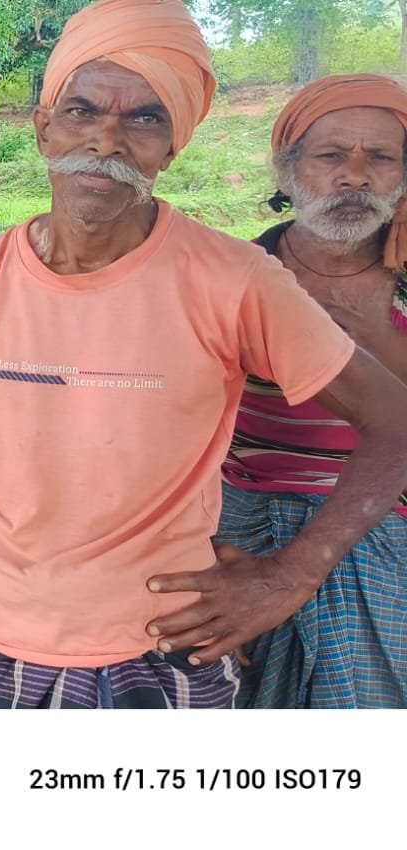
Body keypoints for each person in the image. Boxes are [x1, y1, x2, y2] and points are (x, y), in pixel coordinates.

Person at [0, 0, 407, 710]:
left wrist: (292, 574)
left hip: (161, 654)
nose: (107, 140)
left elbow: (394, 420)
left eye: (144, 118)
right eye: (82, 111)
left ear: (171, 147)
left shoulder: (236, 280)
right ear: (43, 128)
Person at [218, 74, 407, 708]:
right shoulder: (231, 276)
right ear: (287, 168)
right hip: (233, 530)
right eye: (331, 155)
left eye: (380, 157)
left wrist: (377, 343)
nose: (356, 176)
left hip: (384, 529)